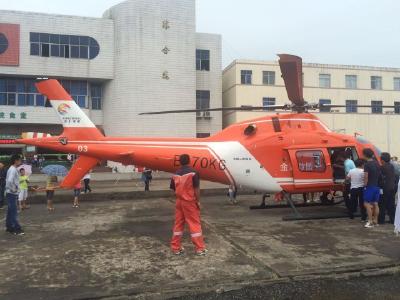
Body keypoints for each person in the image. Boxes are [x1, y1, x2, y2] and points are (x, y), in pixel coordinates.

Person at [170, 154, 207, 256]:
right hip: (189, 202)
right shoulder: (193, 173)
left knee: (178, 224)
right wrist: (197, 201)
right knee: (194, 223)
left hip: (179, 202)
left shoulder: (176, 174)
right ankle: (200, 248)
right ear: (189, 161)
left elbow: (173, 189)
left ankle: (175, 247)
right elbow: (196, 189)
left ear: (180, 162)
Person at [5, 154, 24, 235]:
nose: (20, 161)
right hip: (11, 193)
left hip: (10, 193)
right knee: (13, 212)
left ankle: (9, 227)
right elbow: (9, 181)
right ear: (16, 160)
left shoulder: (12, 169)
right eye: (19, 160)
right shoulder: (13, 169)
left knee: (10, 211)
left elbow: (11, 181)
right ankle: (16, 229)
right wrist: (14, 189)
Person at [363, 148, 381, 228]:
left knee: (367, 204)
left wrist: (364, 185)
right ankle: (375, 221)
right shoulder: (377, 163)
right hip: (377, 186)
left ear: (365, 155)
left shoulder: (367, 164)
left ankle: (370, 221)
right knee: (376, 204)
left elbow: (366, 176)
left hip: (370, 186)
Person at [378, 152, 396, 224]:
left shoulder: (382, 167)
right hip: (392, 187)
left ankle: (381, 220)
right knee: (391, 205)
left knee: (382, 205)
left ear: (382, 160)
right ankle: (393, 220)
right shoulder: (391, 166)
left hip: (384, 188)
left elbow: (380, 178)